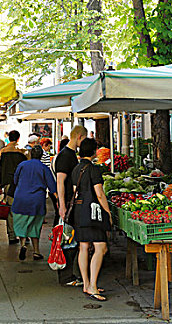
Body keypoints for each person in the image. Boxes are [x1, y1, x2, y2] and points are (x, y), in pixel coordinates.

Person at [71, 138, 112, 301]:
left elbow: (75, 192)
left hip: (79, 211)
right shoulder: (94, 170)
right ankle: (93, 286)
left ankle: (86, 284)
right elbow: (100, 194)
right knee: (100, 247)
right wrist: (108, 213)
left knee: (83, 247)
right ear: (93, 151)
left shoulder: (76, 169)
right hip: (93, 212)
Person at [55, 125, 87, 287]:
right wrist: (62, 205)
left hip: (70, 202)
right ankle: (66, 276)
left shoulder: (70, 155)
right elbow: (60, 181)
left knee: (70, 238)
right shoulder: (66, 156)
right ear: (79, 137)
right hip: (67, 203)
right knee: (68, 239)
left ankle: (68, 274)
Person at [12, 146, 57, 261]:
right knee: (35, 225)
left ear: (31, 154)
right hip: (37, 201)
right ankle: (36, 251)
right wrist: (58, 200)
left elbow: (15, 180)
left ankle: (23, 245)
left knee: (21, 223)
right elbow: (52, 187)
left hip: (21, 199)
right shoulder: (44, 168)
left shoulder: (22, 165)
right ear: (42, 155)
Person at [0, 130, 28, 244]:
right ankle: (24, 235)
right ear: (18, 138)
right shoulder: (23, 152)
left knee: (11, 210)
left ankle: (12, 236)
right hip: (22, 184)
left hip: (9, 184)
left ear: (8, 138)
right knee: (23, 209)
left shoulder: (3, 152)